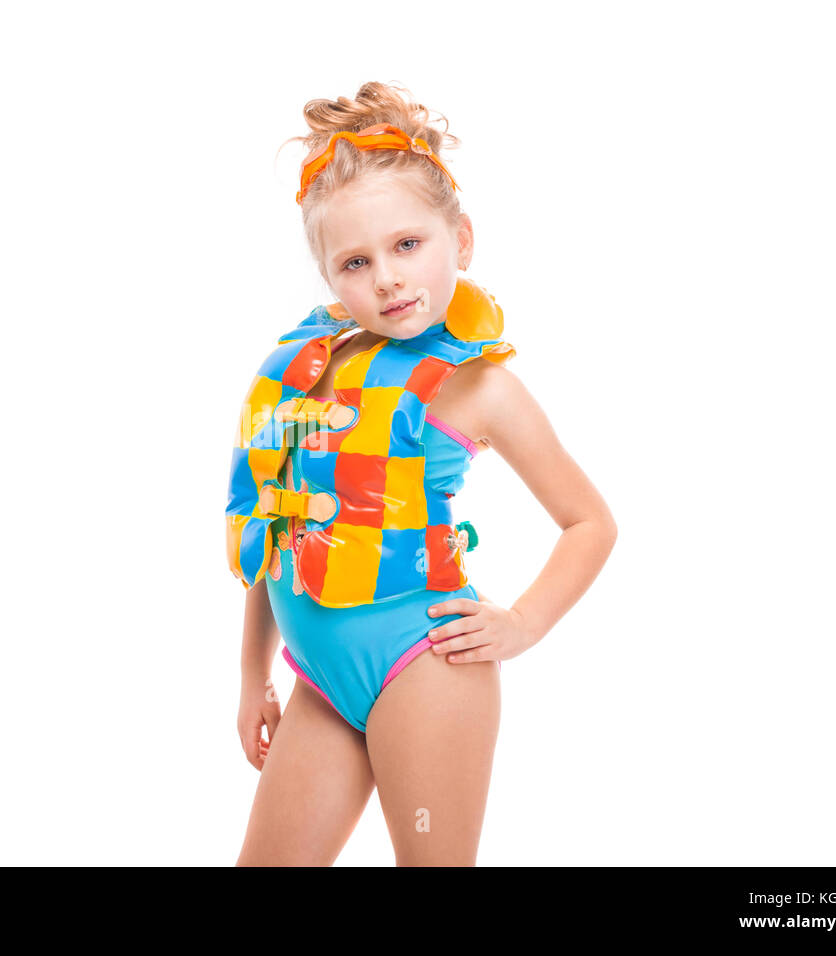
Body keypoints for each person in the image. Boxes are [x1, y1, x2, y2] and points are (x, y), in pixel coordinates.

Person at [225, 82, 618, 866]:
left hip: (426, 664)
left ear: (461, 240)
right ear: (329, 275)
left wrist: (523, 625)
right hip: (320, 680)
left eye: (409, 246)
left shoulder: (480, 385)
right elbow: (275, 524)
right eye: (356, 262)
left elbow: (591, 523)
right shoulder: (308, 367)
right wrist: (251, 676)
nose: (389, 280)